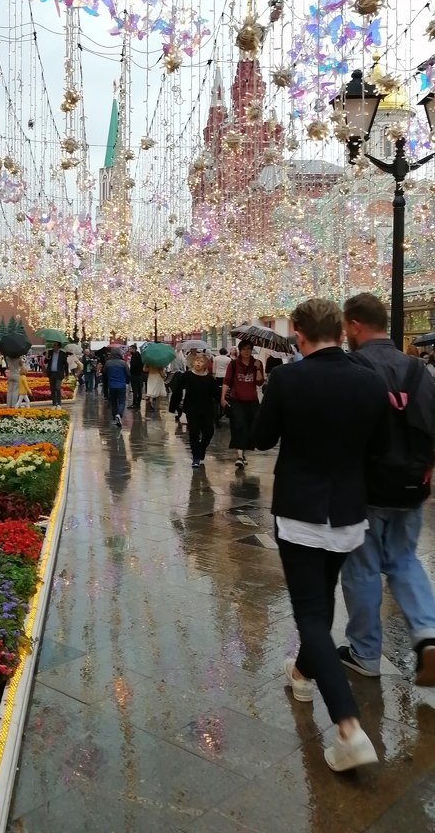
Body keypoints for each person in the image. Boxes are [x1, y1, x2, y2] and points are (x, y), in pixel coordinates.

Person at [253, 297, 389, 773]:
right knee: (322, 599)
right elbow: (380, 447)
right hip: (348, 514)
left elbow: (263, 438)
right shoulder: (370, 381)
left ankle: (349, 727)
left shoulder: (288, 379)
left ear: (298, 332)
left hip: (300, 513)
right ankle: (303, 673)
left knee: (311, 614)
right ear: (339, 329)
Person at [340, 293, 435, 686]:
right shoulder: (418, 369)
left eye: (347, 326)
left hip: (365, 488)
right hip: (411, 484)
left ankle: (364, 653)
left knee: (361, 568)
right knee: (404, 560)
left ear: (356, 325)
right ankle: (428, 635)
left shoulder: (350, 368)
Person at [221, 341, 264, 470]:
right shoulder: (234, 364)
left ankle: (243, 453)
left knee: (250, 427)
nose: (246, 352)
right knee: (239, 425)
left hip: (252, 400)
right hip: (236, 399)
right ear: (240, 350)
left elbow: (260, 382)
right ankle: (239, 456)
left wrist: (257, 368)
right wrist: (222, 397)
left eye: (249, 349)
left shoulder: (257, 363)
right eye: (244, 349)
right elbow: (227, 381)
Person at [181, 353, 221, 467]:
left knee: (209, 432)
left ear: (205, 365)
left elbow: (216, 394)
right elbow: (179, 388)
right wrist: (175, 406)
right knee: (194, 432)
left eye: (201, 361)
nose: (198, 362)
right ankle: (196, 457)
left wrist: (224, 401)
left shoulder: (210, 379)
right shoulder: (187, 375)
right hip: (191, 409)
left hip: (207, 409)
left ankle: (201, 448)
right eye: (197, 360)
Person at [103, 346, 130, 427]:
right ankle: (119, 414)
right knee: (122, 402)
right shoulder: (123, 363)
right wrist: (127, 381)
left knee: (113, 402)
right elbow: (128, 374)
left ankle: (114, 418)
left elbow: (104, 373)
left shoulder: (108, 363)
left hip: (111, 386)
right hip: (121, 385)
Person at [211, 347, 231, 423]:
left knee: (219, 388)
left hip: (218, 375)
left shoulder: (216, 358)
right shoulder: (228, 359)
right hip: (225, 375)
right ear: (226, 352)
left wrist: (214, 374)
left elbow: (214, 367)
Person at [46, 342, 68, 407]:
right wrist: (46, 357)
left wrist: (67, 374)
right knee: (52, 389)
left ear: (58, 346)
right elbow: (45, 362)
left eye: (55, 345)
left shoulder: (63, 354)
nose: (53, 346)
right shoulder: (50, 352)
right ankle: (54, 404)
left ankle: (59, 403)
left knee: (57, 388)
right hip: (51, 373)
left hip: (59, 374)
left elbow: (66, 365)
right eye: (53, 345)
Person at [128, 344, 144, 409]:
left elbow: (134, 366)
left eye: (130, 349)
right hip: (139, 375)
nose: (129, 350)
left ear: (134, 349)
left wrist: (131, 371)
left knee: (135, 390)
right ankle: (138, 404)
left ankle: (135, 404)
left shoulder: (134, 356)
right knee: (139, 390)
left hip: (135, 375)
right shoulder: (139, 355)